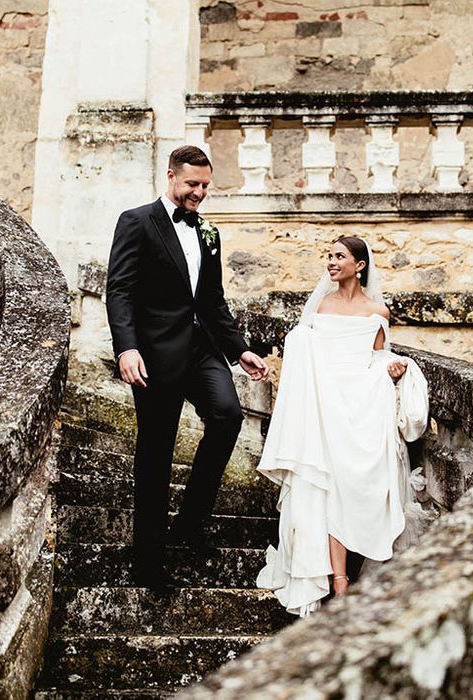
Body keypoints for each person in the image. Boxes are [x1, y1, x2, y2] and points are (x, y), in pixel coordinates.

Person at [105, 145, 269, 592]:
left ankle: (191, 522)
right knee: (156, 453)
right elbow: (118, 291)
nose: (198, 193)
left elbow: (212, 301)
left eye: (205, 186)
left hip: (202, 349)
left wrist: (240, 351)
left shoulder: (209, 233)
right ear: (171, 177)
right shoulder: (136, 221)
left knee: (228, 415)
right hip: (154, 355)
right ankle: (149, 561)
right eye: (192, 184)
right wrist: (127, 348)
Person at [256, 236, 429, 616]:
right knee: (326, 487)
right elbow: (306, 357)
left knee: (359, 487)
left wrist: (396, 373)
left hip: (362, 407)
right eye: (328, 256)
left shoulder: (377, 312)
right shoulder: (319, 307)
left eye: (339, 256)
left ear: (360, 265)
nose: (331, 263)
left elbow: (378, 360)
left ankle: (357, 570)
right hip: (323, 407)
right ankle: (338, 581)